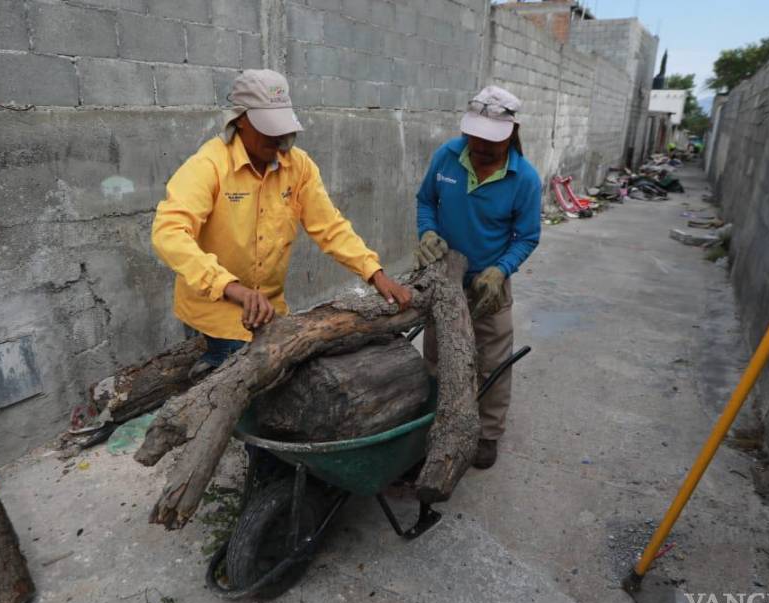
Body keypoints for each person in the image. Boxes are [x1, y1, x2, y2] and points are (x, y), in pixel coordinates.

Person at [153, 69, 411, 379]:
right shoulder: (209, 165)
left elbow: (329, 226)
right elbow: (169, 233)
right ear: (241, 120)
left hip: (269, 312)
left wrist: (376, 274)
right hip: (215, 311)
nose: (278, 138)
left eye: (282, 128)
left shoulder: (298, 166)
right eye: (267, 128)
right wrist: (230, 287)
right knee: (238, 385)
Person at [414, 86, 541, 470]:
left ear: (512, 134)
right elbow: (425, 201)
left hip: (491, 285)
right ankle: (438, 421)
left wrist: (500, 270)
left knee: (492, 362)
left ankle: (487, 433)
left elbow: (528, 236)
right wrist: (427, 233)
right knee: (438, 356)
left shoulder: (525, 179)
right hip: (446, 279)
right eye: (475, 139)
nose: (480, 148)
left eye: (491, 142)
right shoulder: (447, 157)